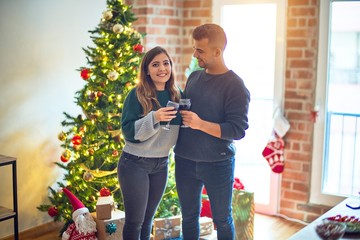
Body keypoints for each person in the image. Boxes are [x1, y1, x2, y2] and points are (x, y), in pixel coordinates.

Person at [174, 23, 250, 240]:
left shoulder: (236, 86)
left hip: (218, 163)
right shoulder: (194, 77)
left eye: (200, 50)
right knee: (188, 217)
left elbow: (237, 130)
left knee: (222, 219)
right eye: (194, 48)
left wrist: (200, 124)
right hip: (185, 160)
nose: (195, 54)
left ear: (217, 52)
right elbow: (188, 113)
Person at [118, 46, 181, 240]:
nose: (162, 68)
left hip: (161, 164)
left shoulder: (177, 95)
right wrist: (154, 117)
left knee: (148, 220)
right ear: (146, 70)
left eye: (166, 63)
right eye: (155, 64)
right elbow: (128, 131)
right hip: (134, 163)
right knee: (135, 222)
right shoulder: (137, 94)